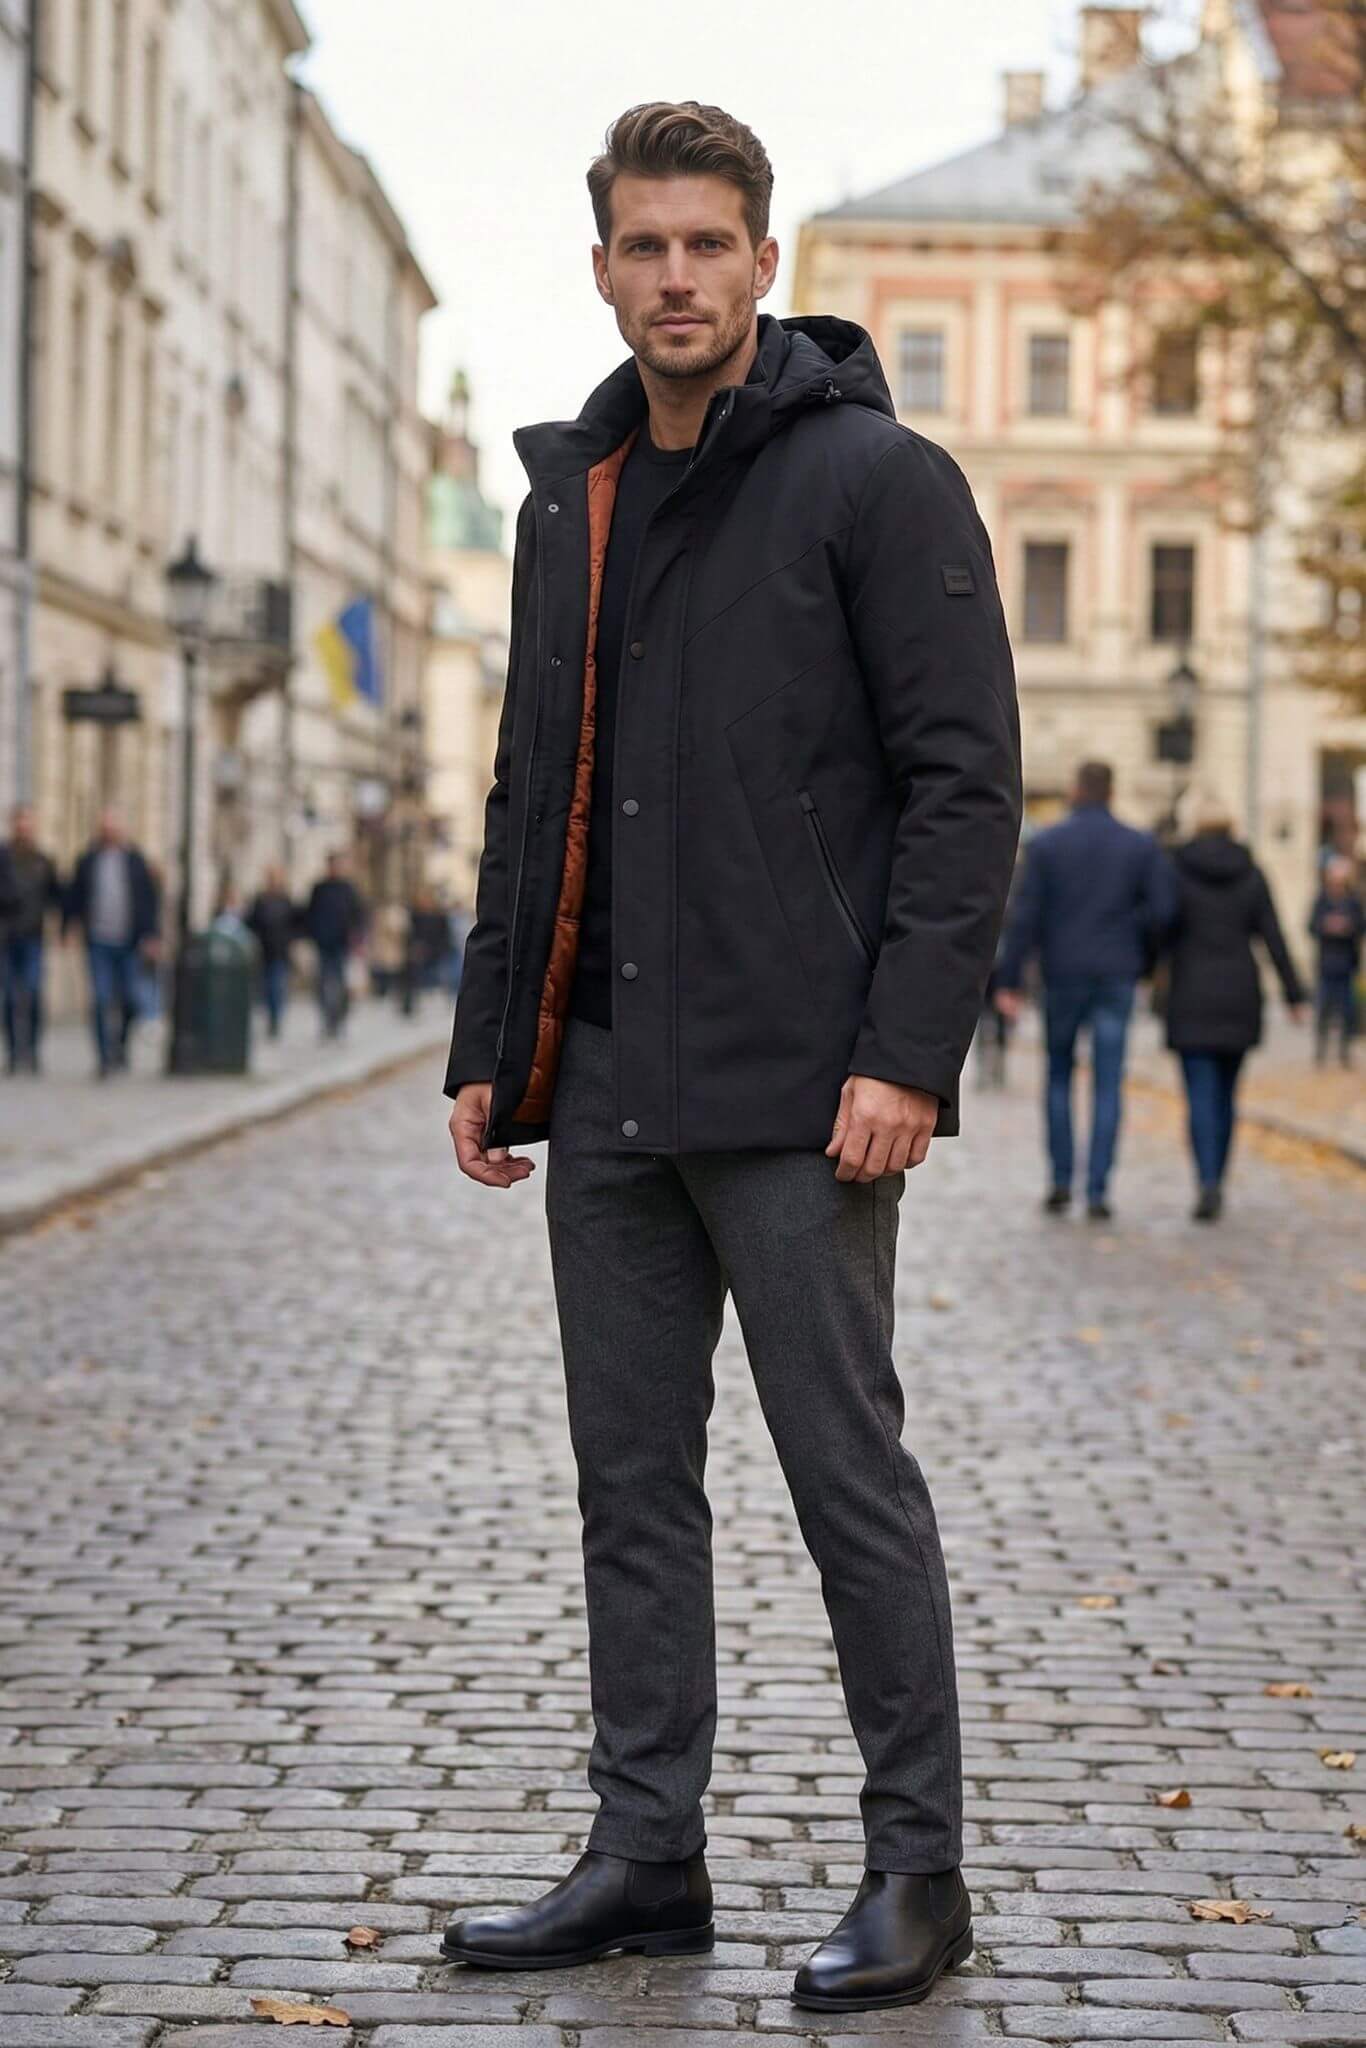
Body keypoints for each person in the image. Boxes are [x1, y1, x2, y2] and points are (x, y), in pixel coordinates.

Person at [440, 102, 1021, 2014]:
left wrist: (906, 1053)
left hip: (803, 1089)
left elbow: (961, 788)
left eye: (709, 244)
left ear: (763, 263)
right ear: (602, 265)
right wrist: (491, 1032)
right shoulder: (575, 492)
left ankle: (917, 1866)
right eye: (644, 247)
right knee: (631, 1480)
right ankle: (646, 1852)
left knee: (846, 1470)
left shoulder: (878, 478)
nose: (676, 278)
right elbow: (539, 782)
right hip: (604, 1076)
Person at [995, 761, 1176, 1221]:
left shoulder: (1048, 844)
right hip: (1117, 973)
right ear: (1112, 792)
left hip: (1064, 972)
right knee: (1109, 1081)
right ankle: (1097, 1187)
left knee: (1058, 1074)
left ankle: (1060, 1179)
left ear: (1076, 790)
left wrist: (1009, 979)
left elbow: (1024, 917)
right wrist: (1143, 958)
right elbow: (1164, 911)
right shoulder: (1139, 845)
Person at [1164, 803, 1307, 1220]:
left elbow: (1161, 926)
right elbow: (1273, 935)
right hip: (1240, 993)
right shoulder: (1251, 872)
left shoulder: (1177, 871)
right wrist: (1294, 993)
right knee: (1227, 1094)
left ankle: (1206, 1178)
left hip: (1191, 991)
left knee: (1200, 1095)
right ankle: (1217, 1177)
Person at [63, 808, 161, 1077]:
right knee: (101, 998)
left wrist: (152, 935)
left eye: (114, 828)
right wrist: (68, 927)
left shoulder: (136, 861)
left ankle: (120, 1046)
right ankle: (104, 1057)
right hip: (98, 940)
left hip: (130, 942)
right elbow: (75, 895)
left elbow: (148, 900)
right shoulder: (88, 859)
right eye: (106, 828)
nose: (110, 832)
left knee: (130, 998)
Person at [0, 803, 62, 1073]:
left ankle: (33, 1051)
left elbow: (56, 896)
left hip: (34, 937)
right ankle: (14, 1053)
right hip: (7, 937)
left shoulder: (43, 860)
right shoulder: (3, 858)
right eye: (19, 822)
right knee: (10, 997)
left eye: (28, 822)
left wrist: (62, 929)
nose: (24, 827)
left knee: (34, 993)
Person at [1308, 855, 1363, 1068]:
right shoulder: (1322, 901)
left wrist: (1348, 927)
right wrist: (1326, 926)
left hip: (1347, 965)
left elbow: (1361, 926)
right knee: (1323, 1010)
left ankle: (1343, 1053)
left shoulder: (1353, 902)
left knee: (1347, 1012)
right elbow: (1311, 926)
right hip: (1326, 964)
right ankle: (1320, 1051)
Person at [303, 851, 365, 1039]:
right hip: (323, 942)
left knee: (339, 983)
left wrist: (357, 938)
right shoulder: (319, 888)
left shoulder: (348, 889)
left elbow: (358, 915)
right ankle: (327, 1021)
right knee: (323, 983)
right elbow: (310, 913)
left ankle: (338, 1020)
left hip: (342, 943)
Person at [246, 867, 297, 1039]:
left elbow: (295, 922)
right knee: (266, 987)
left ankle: (275, 1018)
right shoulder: (260, 900)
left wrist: (291, 940)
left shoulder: (286, 900)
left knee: (277, 985)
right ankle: (271, 1016)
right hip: (264, 950)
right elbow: (251, 922)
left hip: (281, 950)